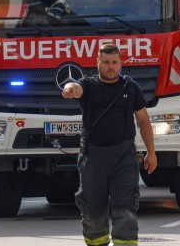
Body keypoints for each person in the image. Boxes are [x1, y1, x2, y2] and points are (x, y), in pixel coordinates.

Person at [62, 43, 157, 246]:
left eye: (114, 62)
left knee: (125, 207)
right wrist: (70, 88)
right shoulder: (88, 85)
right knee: (93, 209)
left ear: (121, 63)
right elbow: (76, 88)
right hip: (93, 158)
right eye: (105, 62)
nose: (110, 67)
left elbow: (143, 120)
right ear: (98, 63)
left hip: (124, 158)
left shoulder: (130, 88)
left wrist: (151, 152)